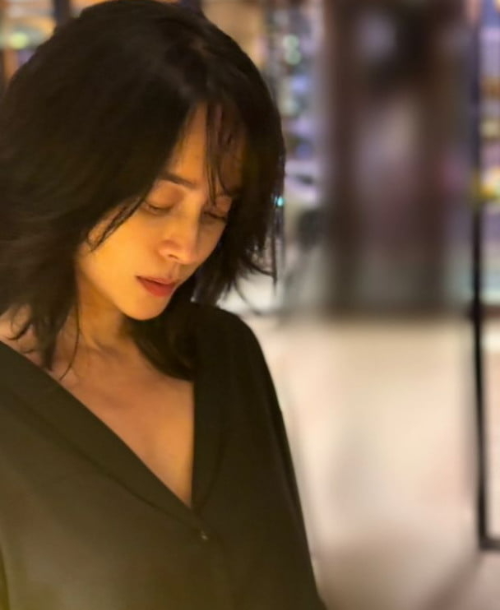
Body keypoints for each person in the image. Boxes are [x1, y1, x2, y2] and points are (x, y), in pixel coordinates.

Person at [0, 1, 326, 609]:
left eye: (217, 210)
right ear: (67, 169)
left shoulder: (225, 354)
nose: (187, 246)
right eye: (157, 203)